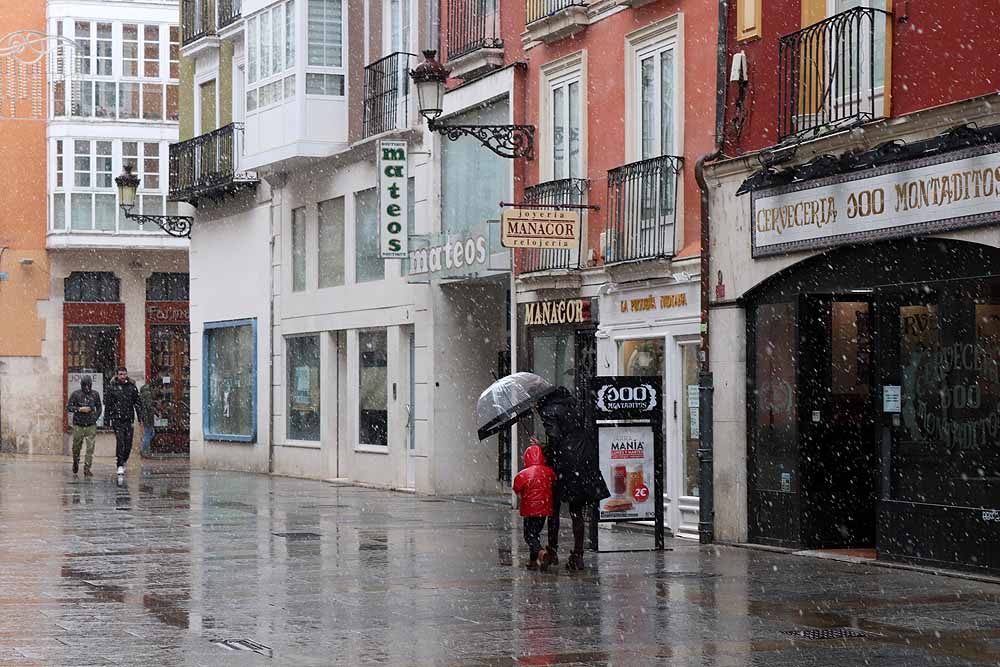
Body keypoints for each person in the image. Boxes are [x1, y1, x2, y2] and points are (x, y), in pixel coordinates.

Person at [538, 387, 610, 571]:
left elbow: (555, 439)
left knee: (553, 508)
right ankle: (578, 554)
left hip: (565, 462)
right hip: (584, 457)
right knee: (576, 510)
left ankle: (552, 551)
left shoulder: (549, 411)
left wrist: (543, 448)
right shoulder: (574, 407)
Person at [512, 443, 557, 570]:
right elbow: (554, 480)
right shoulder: (548, 472)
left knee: (529, 535)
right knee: (535, 533)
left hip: (529, 510)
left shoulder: (522, 474)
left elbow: (517, 488)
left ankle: (542, 553)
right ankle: (533, 561)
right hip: (544, 509)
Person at [104, 366, 141, 476]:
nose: (122, 376)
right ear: (117, 375)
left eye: (124, 374)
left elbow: (137, 403)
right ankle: (119, 464)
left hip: (128, 419)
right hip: (117, 419)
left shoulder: (132, 387)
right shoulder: (112, 387)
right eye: (120, 374)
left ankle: (124, 460)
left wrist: (140, 417)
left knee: (128, 443)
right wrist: (107, 420)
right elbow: (108, 405)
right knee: (120, 442)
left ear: (126, 375)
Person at [66, 375, 102, 477]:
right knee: (76, 446)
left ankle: (87, 468)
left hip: (91, 424)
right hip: (78, 424)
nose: (87, 388)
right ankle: (76, 461)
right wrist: (79, 409)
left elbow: (99, 407)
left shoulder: (95, 394)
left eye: (88, 385)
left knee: (90, 447)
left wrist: (95, 417)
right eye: (85, 385)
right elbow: (68, 407)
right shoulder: (76, 394)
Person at [138, 381, 159, 458]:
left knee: (150, 433)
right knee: (148, 433)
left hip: (145, 416)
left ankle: (145, 450)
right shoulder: (148, 394)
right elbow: (149, 406)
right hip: (148, 417)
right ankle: (143, 450)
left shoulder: (144, 393)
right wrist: (156, 412)